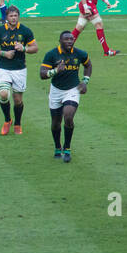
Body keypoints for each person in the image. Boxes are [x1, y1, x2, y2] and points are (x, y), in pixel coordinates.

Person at [39, 30, 92, 163]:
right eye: (66, 39)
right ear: (60, 41)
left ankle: (67, 148)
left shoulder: (80, 53)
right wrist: (55, 71)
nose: (69, 41)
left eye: (71, 39)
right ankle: (57, 147)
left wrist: (85, 81)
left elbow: (88, 65)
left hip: (72, 89)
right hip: (56, 90)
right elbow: (42, 74)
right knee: (55, 123)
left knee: (68, 116)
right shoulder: (52, 54)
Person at [0, 5, 37, 135]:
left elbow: (35, 48)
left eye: (15, 15)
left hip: (20, 69)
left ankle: (17, 123)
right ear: (6, 17)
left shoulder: (25, 31)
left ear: (18, 16)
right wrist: (4, 54)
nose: (13, 18)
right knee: (4, 94)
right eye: (11, 16)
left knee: (17, 100)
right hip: (4, 68)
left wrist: (24, 48)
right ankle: (7, 120)